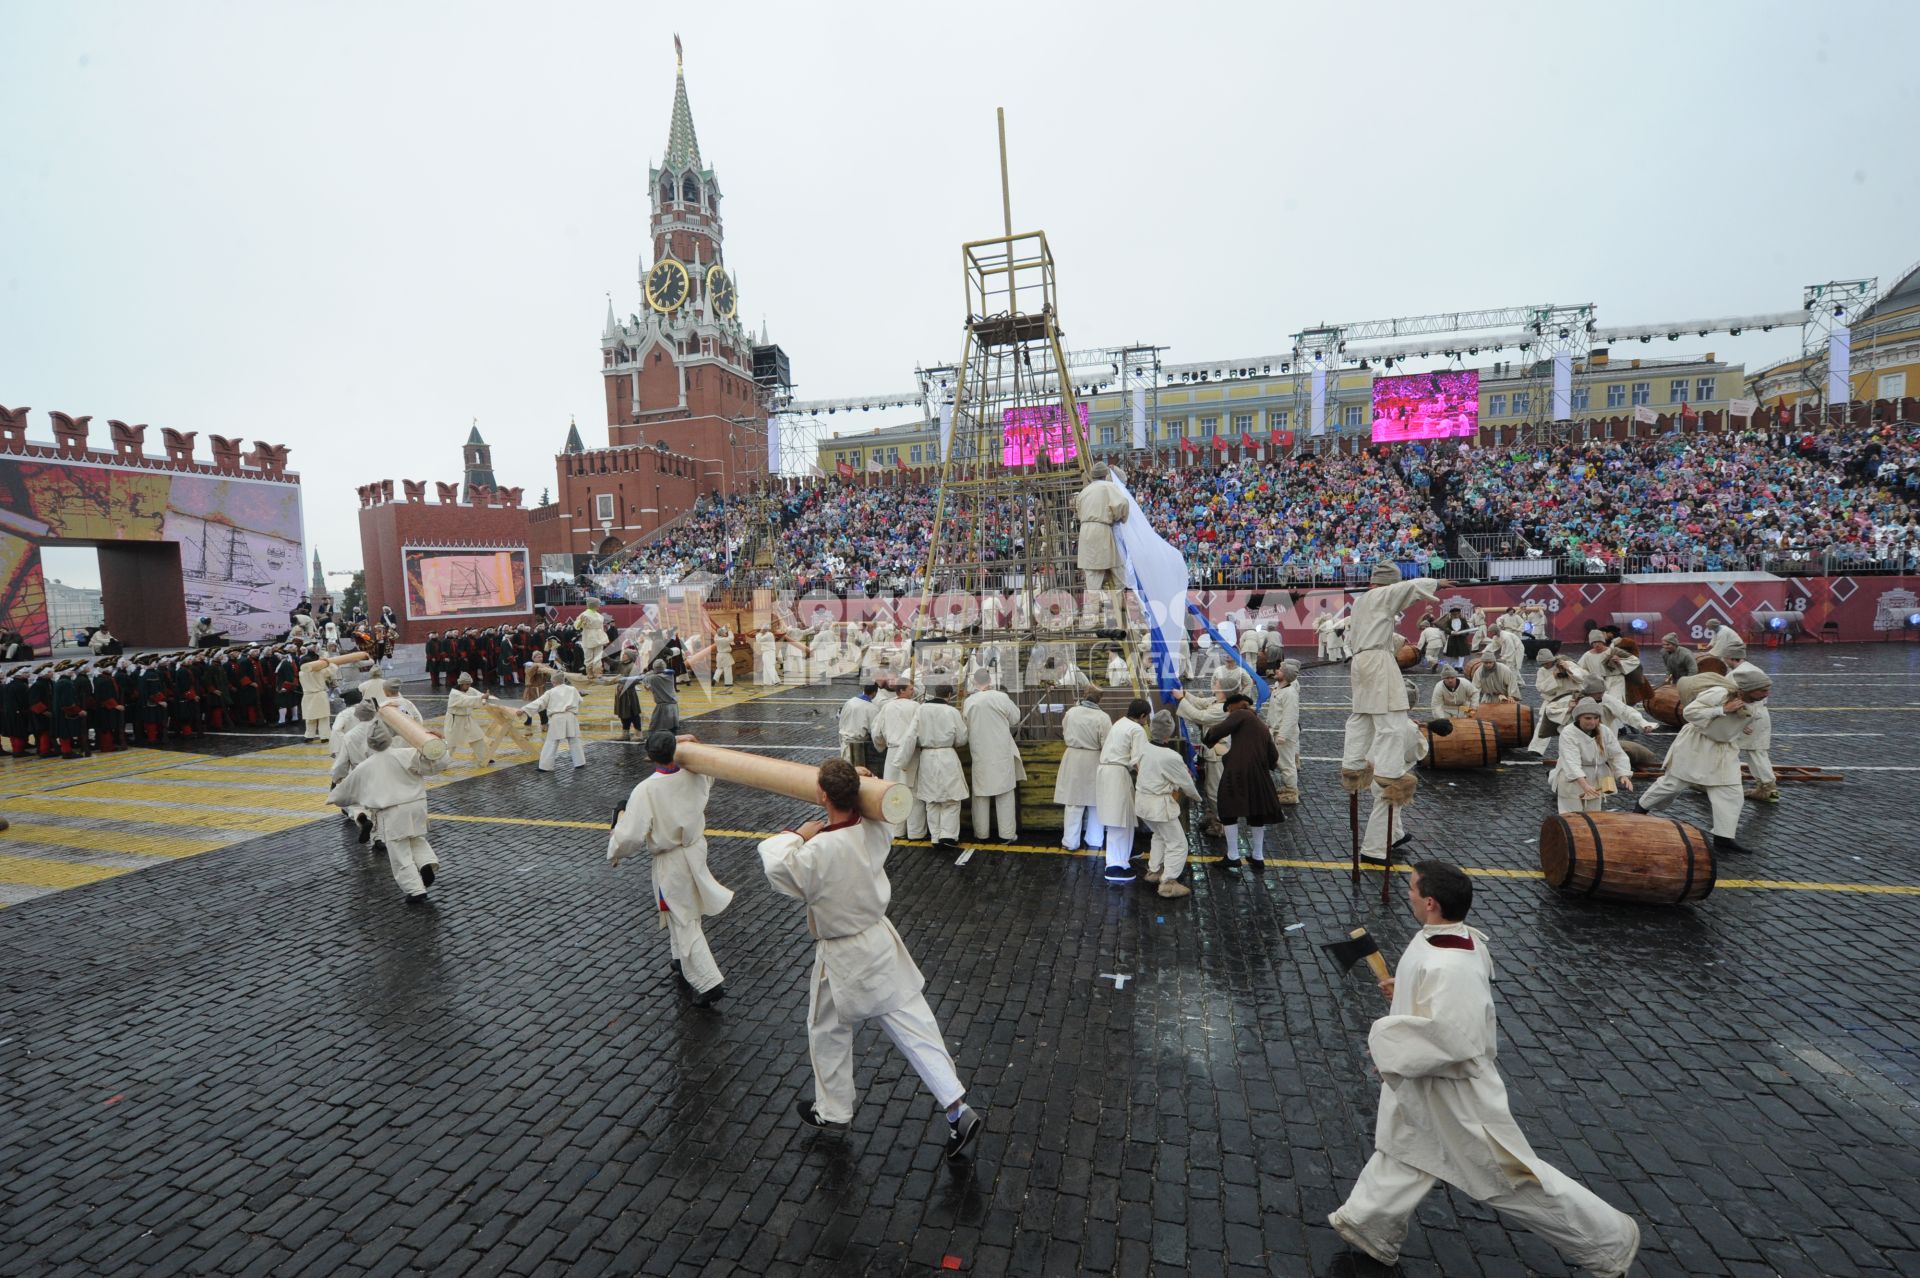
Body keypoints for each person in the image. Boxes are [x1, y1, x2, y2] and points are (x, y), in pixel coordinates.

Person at [1328, 862, 1640, 1277]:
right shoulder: (1448, 940)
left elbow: (1454, 1038)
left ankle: (1609, 1242)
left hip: (1455, 1095)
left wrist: (1386, 1036)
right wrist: (1404, 995)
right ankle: (1368, 1225)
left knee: (1509, 1178)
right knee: (1405, 1148)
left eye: (1412, 888)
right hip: (1426, 1087)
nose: (1408, 894)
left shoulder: (1450, 966)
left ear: (1431, 902)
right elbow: (1437, 1009)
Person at [756, 758, 983, 1158]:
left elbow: (776, 860)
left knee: (826, 1029)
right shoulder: (876, 829)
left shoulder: (818, 850)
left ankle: (835, 1109)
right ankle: (956, 1108)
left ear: (822, 795)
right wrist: (863, 782)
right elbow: (872, 809)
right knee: (916, 1026)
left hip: (842, 954)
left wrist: (800, 832)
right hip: (879, 940)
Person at [608, 732, 731, 1008]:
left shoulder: (646, 789)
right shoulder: (696, 775)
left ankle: (710, 982)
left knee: (683, 917)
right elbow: (704, 768)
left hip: (672, 858)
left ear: (649, 757)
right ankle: (680, 960)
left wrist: (615, 842)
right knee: (677, 908)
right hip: (695, 847)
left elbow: (629, 838)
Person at [1634, 665, 1768, 855]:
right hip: (1697, 745)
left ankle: (1723, 839)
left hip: (1723, 750)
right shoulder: (1719, 694)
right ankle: (1639, 810)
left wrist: (1741, 726)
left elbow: (1737, 720)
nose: (1767, 693)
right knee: (1673, 784)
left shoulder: (1756, 702)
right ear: (1748, 689)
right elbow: (1690, 713)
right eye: (1763, 689)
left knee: (1731, 792)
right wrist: (1721, 709)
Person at [1342, 564, 1446, 800]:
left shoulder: (1361, 603)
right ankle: (1389, 772)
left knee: (1362, 715)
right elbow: (1408, 588)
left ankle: (1353, 763)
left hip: (1361, 661)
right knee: (1392, 715)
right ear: (1389, 584)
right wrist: (1437, 584)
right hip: (1377, 661)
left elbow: (1377, 628)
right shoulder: (1382, 594)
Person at [326, 719, 446, 902]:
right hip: (417, 806)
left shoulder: (366, 766)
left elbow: (344, 792)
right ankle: (426, 863)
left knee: (399, 852)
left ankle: (415, 890)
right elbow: (437, 762)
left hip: (392, 812)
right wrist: (439, 743)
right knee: (416, 839)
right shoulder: (407, 754)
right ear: (389, 738)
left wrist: (333, 797)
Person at [1202, 689, 1284, 873]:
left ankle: (1232, 856)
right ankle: (1258, 856)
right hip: (1259, 775)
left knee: (1228, 810)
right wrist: (1266, 765)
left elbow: (1220, 729)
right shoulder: (1261, 724)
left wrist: (1208, 738)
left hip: (1238, 772)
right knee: (1256, 813)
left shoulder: (1240, 714)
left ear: (1233, 707)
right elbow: (1273, 755)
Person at [1136, 709, 1200, 897]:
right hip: (1159, 806)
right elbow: (1186, 783)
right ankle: (1168, 883)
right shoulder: (1170, 757)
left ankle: (1154, 871)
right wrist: (1197, 797)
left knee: (1159, 835)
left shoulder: (1143, 748)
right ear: (1169, 733)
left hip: (1142, 802)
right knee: (1178, 843)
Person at [961, 668, 1025, 845]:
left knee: (980, 795)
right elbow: (1015, 718)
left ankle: (981, 834)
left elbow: (964, 726)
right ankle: (1006, 834)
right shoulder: (1000, 697)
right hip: (1001, 752)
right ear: (990, 680)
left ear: (975, 682)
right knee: (1004, 794)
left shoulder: (969, 702)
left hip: (979, 751)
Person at [1094, 698, 1151, 884]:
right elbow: (1139, 760)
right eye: (1146, 717)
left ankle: (1124, 852)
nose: (1147, 721)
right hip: (1117, 773)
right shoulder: (1137, 730)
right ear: (1142, 716)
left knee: (1121, 816)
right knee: (1118, 818)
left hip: (1106, 771)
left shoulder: (1120, 722)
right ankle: (1115, 864)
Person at [908, 681, 969, 851]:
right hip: (946, 755)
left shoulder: (921, 709)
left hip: (926, 755)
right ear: (949, 695)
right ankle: (948, 835)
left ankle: (935, 836)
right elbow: (962, 737)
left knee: (931, 798)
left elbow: (911, 735)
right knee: (951, 798)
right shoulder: (951, 711)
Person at [1074, 461, 1131, 628]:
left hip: (1085, 533)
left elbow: (1078, 511)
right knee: (1118, 575)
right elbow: (1122, 504)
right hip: (1102, 531)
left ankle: (1089, 622)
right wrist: (1119, 517)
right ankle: (1116, 618)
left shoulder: (1084, 492)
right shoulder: (1108, 486)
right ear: (1106, 475)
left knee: (1092, 581)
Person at [869, 679, 926, 841]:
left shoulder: (887, 707)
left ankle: (896, 830)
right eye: (910, 689)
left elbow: (876, 732)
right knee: (913, 792)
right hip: (912, 752)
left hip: (892, 752)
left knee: (894, 792)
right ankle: (916, 832)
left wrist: (882, 746)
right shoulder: (916, 707)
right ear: (901, 691)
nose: (912, 691)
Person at [1552, 699, 1633, 814]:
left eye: (1596, 718)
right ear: (1579, 717)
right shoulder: (1568, 733)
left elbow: (1617, 754)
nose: (1593, 722)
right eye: (1588, 718)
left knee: (1593, 816)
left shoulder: (1605, 731)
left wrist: (1623, 774)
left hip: (1596, 778)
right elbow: (1571, 762)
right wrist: (1584, 784)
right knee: (1571, 817)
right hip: (1572, 780)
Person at [1055, 689, 1110, 855]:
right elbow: (1107, 743)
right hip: (1094, 759)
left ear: (1085, 696)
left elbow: (1065, 731)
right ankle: (1095, 839)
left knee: (1073, 802)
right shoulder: (1103, 718)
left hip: (1073, 757)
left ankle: (1070, 841)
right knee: (1095, 802)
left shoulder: (1071, 713)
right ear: (1099, 700)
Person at [521, 677, 586, 771]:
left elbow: (539, 703)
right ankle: (580, 763)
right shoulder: (572, 689)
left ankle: (545, 766)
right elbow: (580, 700)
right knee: (574, 740)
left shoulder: (551, 692)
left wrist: (523, 709)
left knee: (551, 742)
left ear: (553, 682)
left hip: (557, 718)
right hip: (571, 717)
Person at [1261, 658, 1302, 806]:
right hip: (1276, 731)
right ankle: (1288, 787)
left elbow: (1290, 717)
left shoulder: (1290, 693)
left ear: (1285, 675)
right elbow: (1274, 711)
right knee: (1282, 761)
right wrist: (1268, 724)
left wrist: (1283, 734)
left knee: (1286, 763)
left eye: (1280, 670)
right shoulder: (1280, 687)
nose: (1276, 671)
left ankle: (1291, 792)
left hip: (1283, 734)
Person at [443, 673, 489, 762]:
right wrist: (482, 697)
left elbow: (479, 695)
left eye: (469, 684)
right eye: (467, 684)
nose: (469, 686)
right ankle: (442, 762)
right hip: (455, 720)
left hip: (467, 719)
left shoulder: (470, 689)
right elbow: (466, 700)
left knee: (477, 738)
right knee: (451, 743)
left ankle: (484, 758)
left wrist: (489, 698)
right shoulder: (454, 694)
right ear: (461, 684)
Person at [837, 682, 879, 769]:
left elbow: (841, 722)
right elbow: (875, 731)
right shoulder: (872, 708)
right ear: (875, 693)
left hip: (845, 743)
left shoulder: (849, 702)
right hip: (859, 748)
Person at [297, 656, 336, 743]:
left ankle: (309, 736)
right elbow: (333, 669)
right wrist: (326, 661)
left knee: (310, 718)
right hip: (319, 695)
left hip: (307, 696)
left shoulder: (301, 673)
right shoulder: (320, 672)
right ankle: (325, 736)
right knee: (323, 717)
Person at [643, 659, 679, 734]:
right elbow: (667, 670)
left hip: (663, 708)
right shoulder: (670, 675)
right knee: (672, 731)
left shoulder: (652, 678)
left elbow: (646, 685)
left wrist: (649, 673)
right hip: (674, 707)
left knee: (654, 730)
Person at [577, 599, 609, 677]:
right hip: (589, 636)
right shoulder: (584, 614)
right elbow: (577, 626)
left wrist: (603, 637)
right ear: (594, 605)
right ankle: (590, 673)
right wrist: (581, 622)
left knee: (598, 656)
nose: (599, 605)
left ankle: (598, 673)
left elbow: (601, 627)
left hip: (599, 637)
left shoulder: (599, 615)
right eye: (598, 604)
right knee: (588, 656)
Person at [712, 622, 736, 687]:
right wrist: (729, 629)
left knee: (719, 668)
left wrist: (725, 626)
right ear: (722, 634)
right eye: (724, 633)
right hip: (726, 655)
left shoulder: (716, 638)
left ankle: (714, 679)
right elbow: (731, 637)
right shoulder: (725, 639)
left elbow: (719, 632)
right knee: (727, 668)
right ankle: (728, 683)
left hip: (719, 655)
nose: (725, 633)